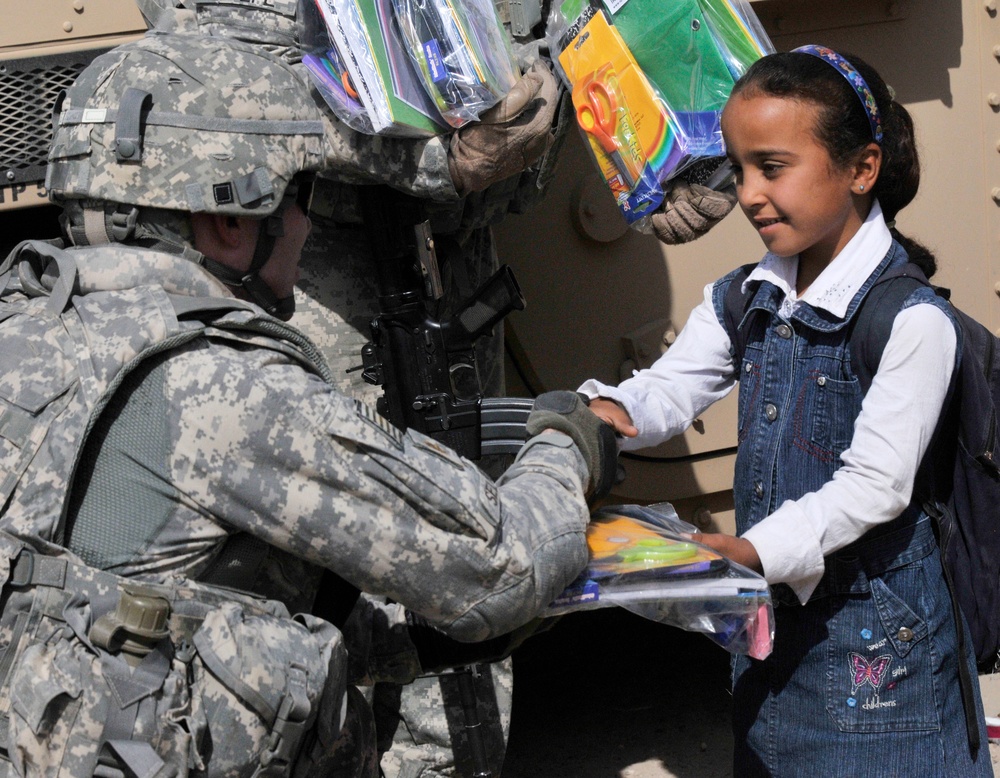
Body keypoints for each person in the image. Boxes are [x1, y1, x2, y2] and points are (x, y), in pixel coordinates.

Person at [0, 30, 618, 777]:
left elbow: (152, 600)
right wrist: (568, 440)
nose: (306, 225)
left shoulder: (28, 326)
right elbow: (505, 564)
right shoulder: (226, 388)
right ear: (231, 219)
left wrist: (409, 642)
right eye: (303, 197)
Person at [579, 47, 992, 776]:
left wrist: (748, 552)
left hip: (879, 658)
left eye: (772, 167)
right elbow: (671, 388)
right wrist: (609, 412)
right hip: (774, 638)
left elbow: (876, 486)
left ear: (862, 169)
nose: (749, 193)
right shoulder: (746, 296)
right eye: (738, 169)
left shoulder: (909, 320)